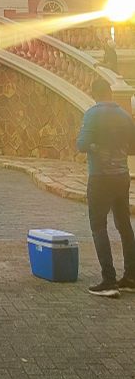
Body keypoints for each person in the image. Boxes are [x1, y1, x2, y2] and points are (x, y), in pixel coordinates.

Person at [76, 77, 135, 297]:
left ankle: (108, 281)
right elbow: (133, 145)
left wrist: (94, 145)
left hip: (100, 177)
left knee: (98, 226)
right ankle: (130, 277)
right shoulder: (124, 115)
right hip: (121, 176)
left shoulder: (92, 114)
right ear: (110, 93)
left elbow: (81, 144)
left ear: (94, 93)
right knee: (124, 225)